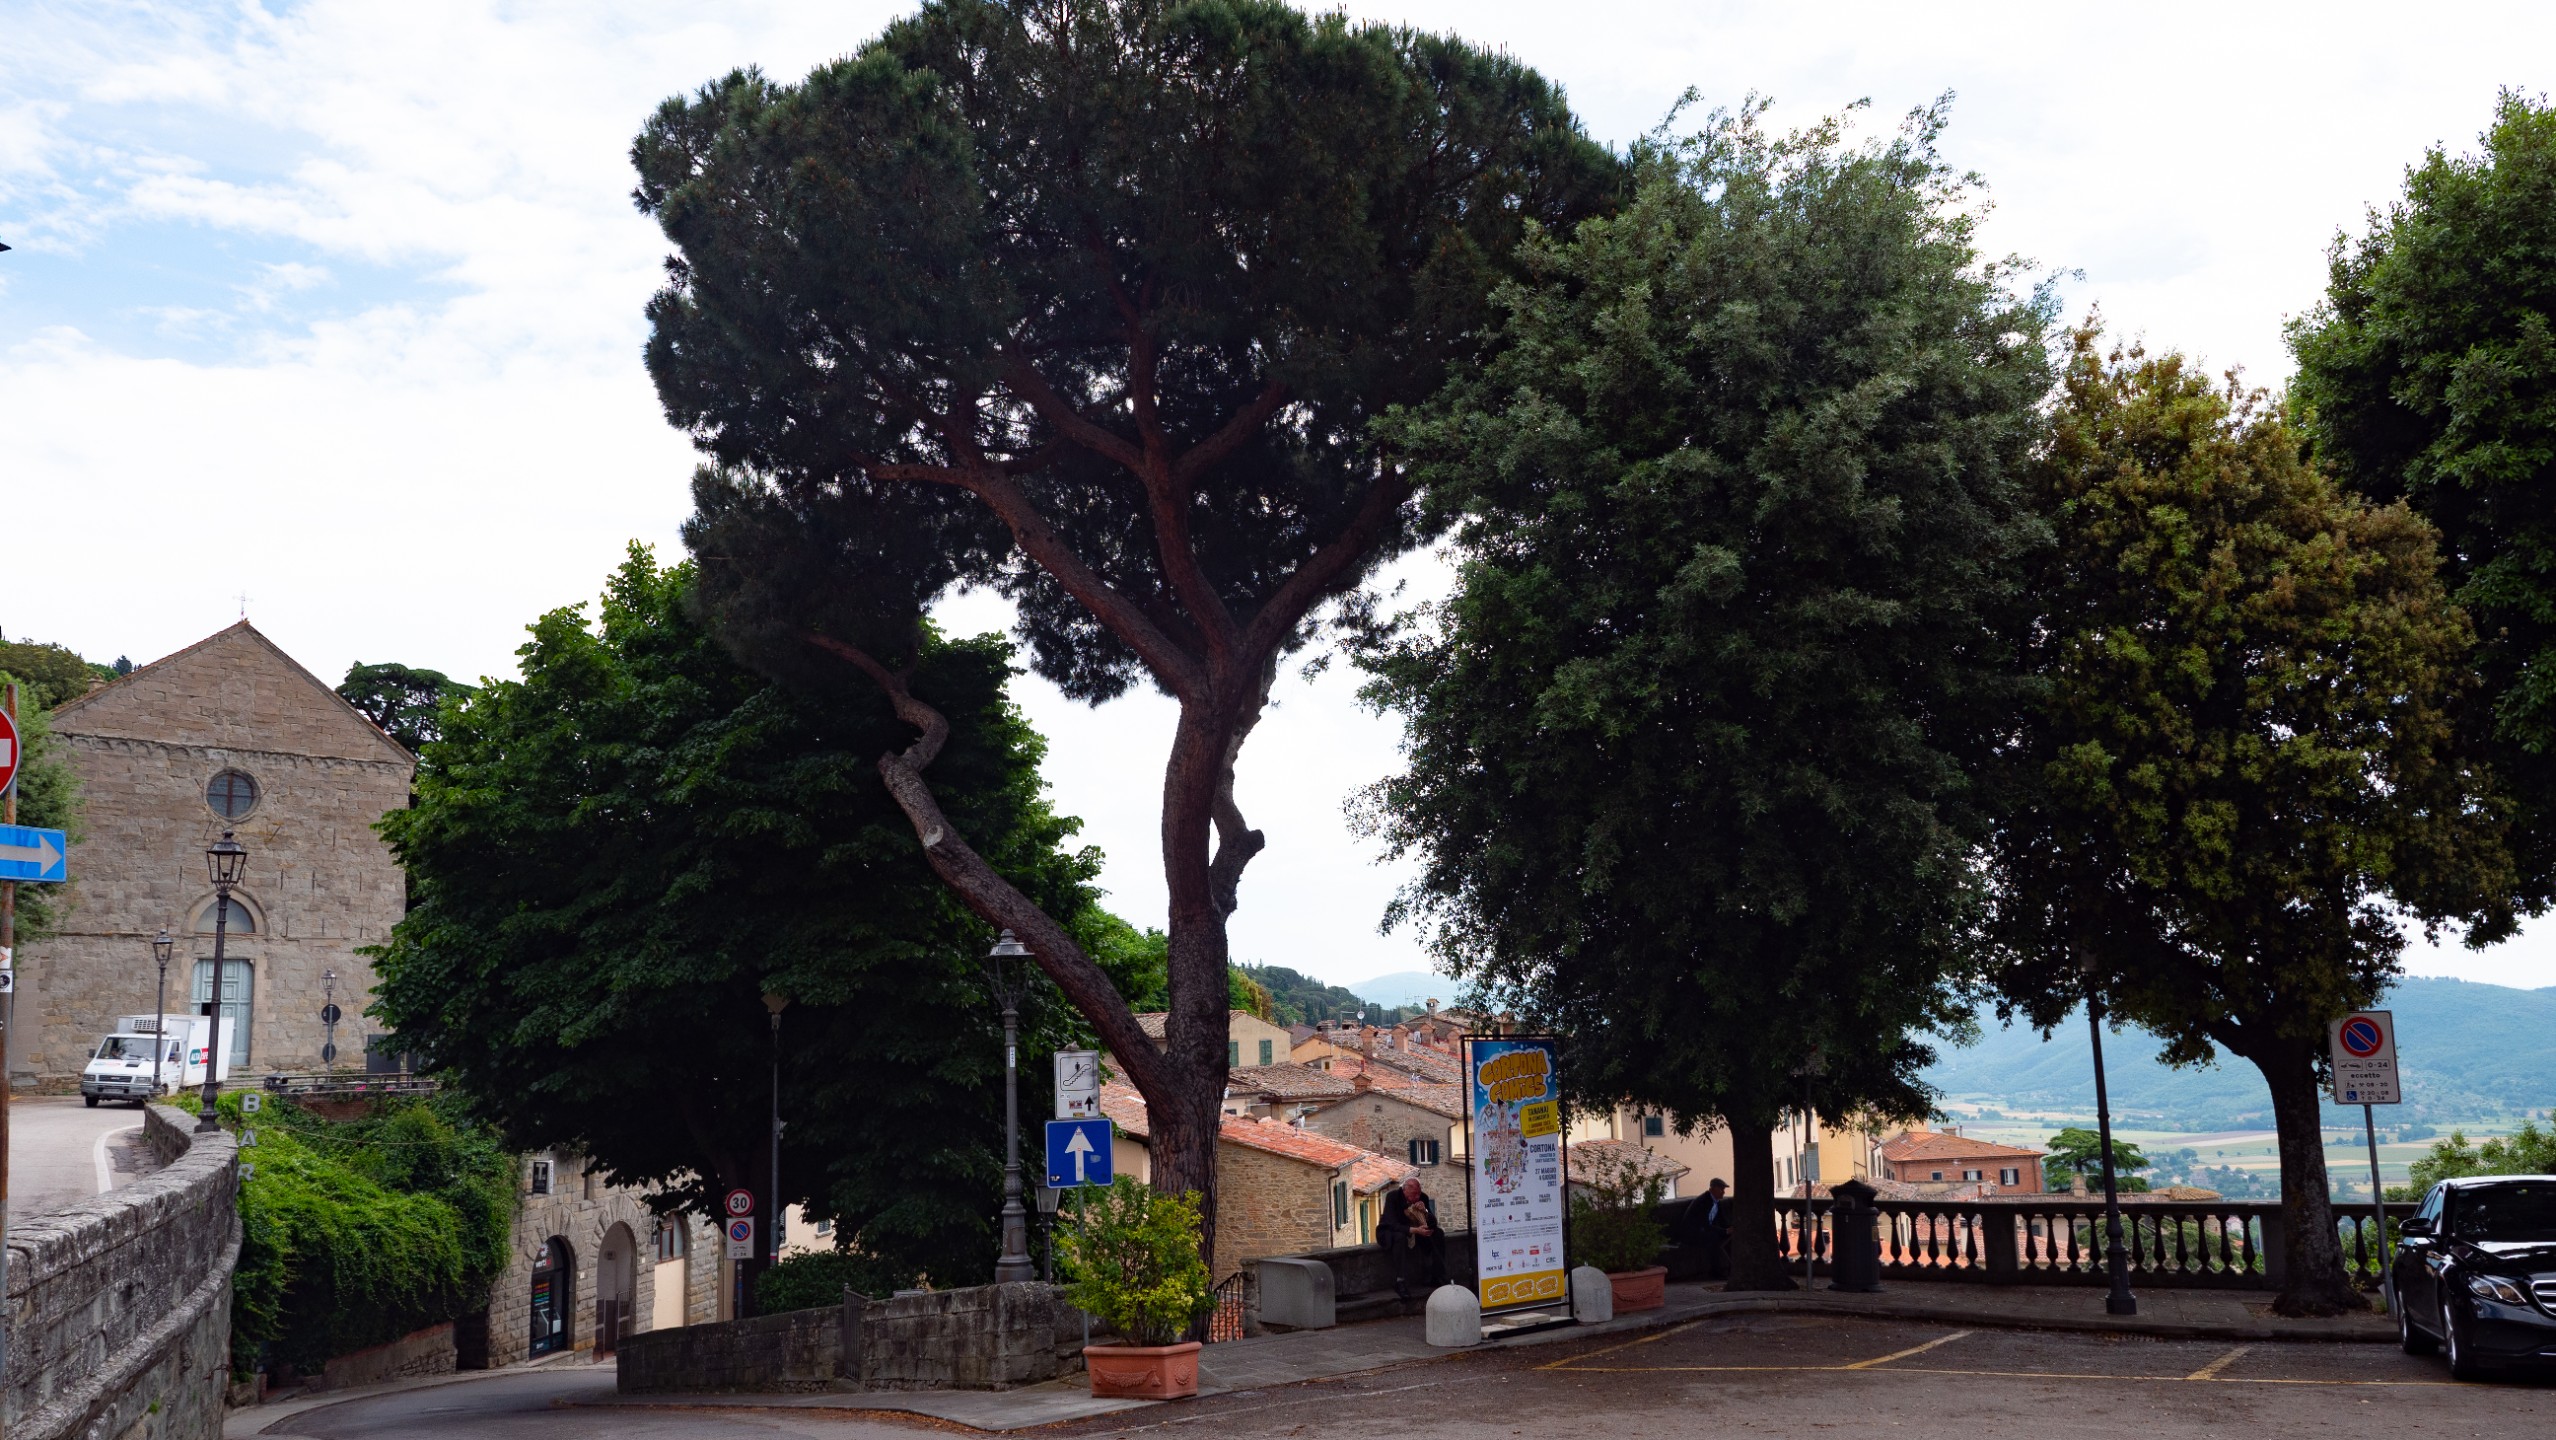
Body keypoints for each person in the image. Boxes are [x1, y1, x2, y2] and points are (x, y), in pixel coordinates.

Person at [1375, 1176, 1447, 1300]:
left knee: (1438, 1233)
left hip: (1416, 1231)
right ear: (1405, 1191)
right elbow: (1392, 1223)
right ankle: (1400, 1281)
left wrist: (1425, 1211)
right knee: (1400, 1237)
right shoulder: (1393, 1197)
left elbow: (1433, 1223)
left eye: (1418, 1193)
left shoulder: (1422, 1198)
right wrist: (1415, 1230)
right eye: (1414, 1194)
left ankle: (1436, 1275)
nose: (1417, 1197)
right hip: (1392, 1232)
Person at [1675, 1177, 1733, 1280]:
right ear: (1712, 1189)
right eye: (1721, 1189)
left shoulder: (1716, 1202)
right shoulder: (1703, 1201)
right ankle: (1717, 1272)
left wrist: (1730, 1228)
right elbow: (1704, 1224)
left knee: (1725, 1238)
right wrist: (1724, 1231)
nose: (1723, 1192)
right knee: (1714, 1239)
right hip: (1692, 1234)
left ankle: (1730, 1268)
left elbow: (1721, 1220)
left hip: (1703, 1231)